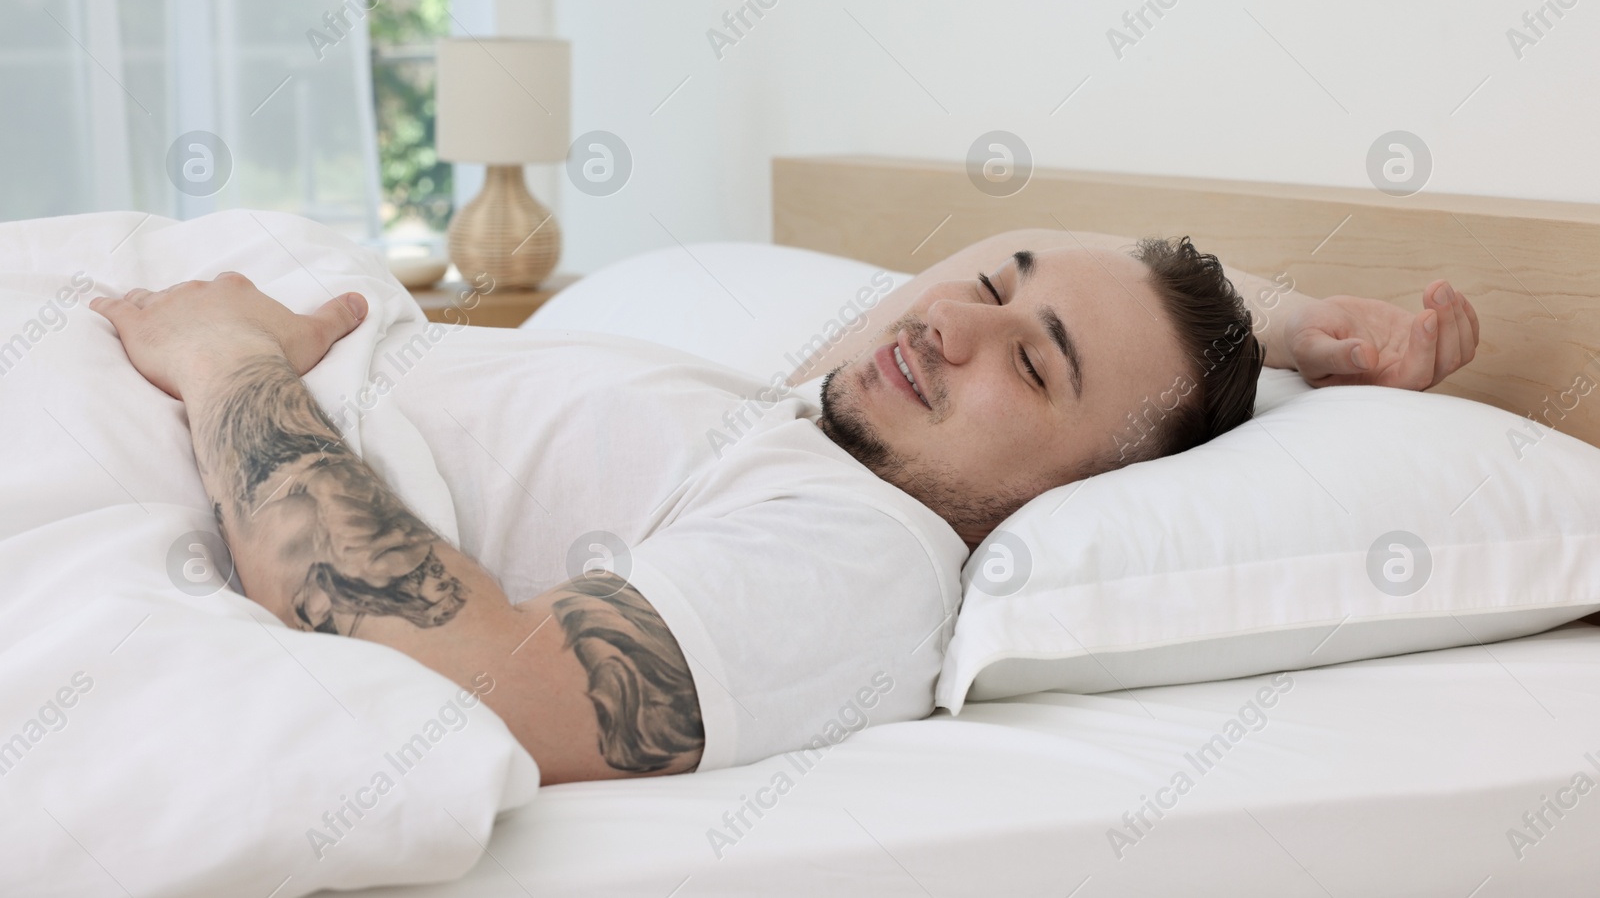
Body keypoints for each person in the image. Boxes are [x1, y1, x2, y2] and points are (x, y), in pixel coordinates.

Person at [87, 228, 1478, 785]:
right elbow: (1015, 255)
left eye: (1033, 361)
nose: (951, 324)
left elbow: (480, 676)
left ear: (1092, 484)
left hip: (169, 418)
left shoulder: (868, 557)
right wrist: (1290, 330)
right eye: (989, 298)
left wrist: (228, 360)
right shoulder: (810, 414)